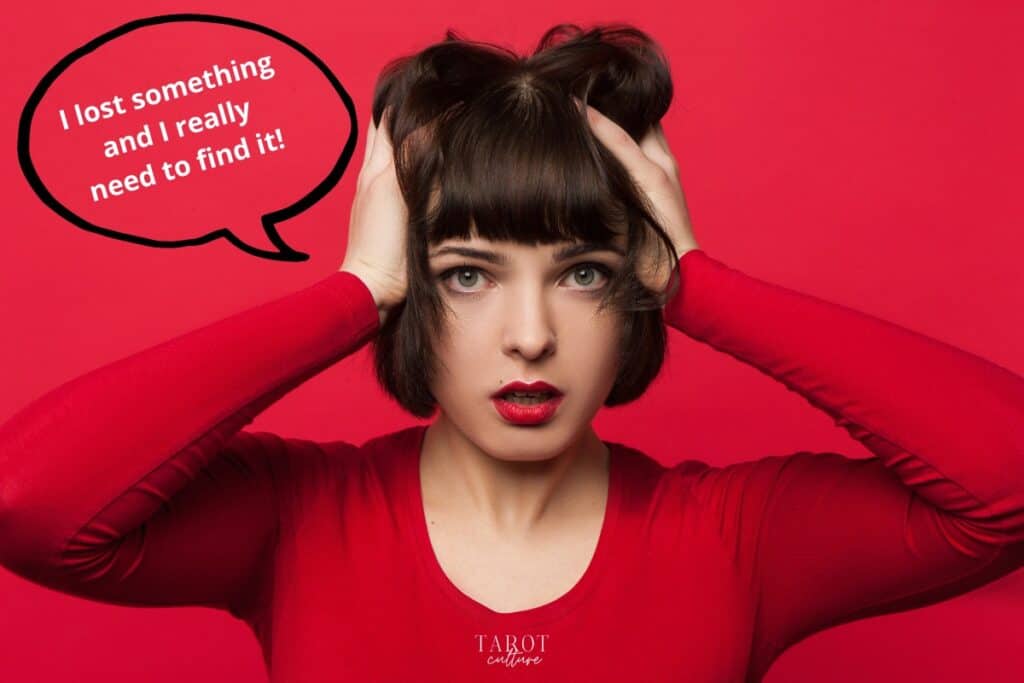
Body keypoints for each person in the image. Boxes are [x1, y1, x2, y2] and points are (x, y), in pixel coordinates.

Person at [1, 23, 1023, 683]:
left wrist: (697, 282)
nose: (528, 334)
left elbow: (1005, 479)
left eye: (581, 272)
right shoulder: (297, 517)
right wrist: (357, 289)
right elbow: (31, 499)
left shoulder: (736, 536)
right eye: (466, 273)